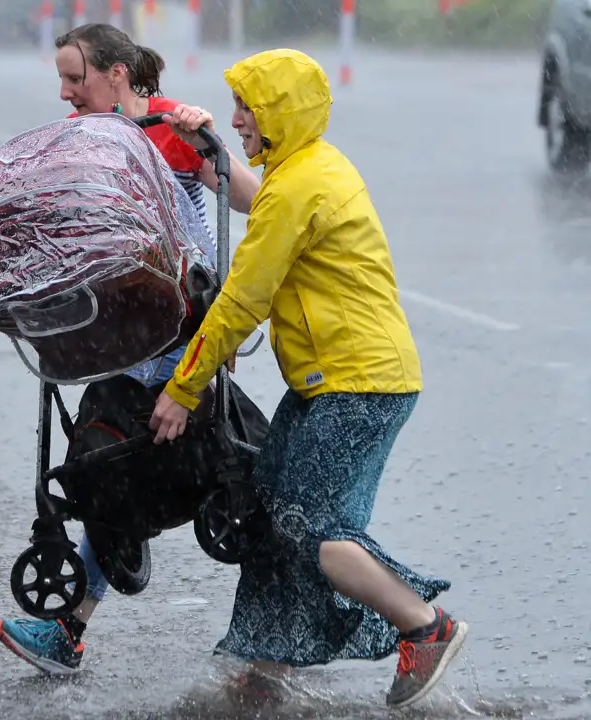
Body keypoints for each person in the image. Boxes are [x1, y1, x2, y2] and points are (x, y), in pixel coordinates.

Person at [147, 49, 469, 710]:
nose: (237, 120)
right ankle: (269, 673)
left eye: (248, 109)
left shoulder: (297, 186)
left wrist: (182, 389)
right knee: (274, 517)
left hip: (359, 384)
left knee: (317, 531)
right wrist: (201, 144)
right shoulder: (307, 167)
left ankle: (425, 628)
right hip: (337, 381)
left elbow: (242, 299)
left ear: (279, 113)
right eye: (235, 108)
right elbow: (252, 220)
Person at [0, 22, 260, 676]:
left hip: (180, 340)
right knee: (110, 472)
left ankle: (327, 615)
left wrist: (210, 148)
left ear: (116, 73)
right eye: (60, 78)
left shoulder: (169, 129)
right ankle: (68, 630)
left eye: (75, 77)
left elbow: (253, 199)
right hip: (118, 343)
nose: (64, 92)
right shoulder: (78, 145)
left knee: (242, 473)